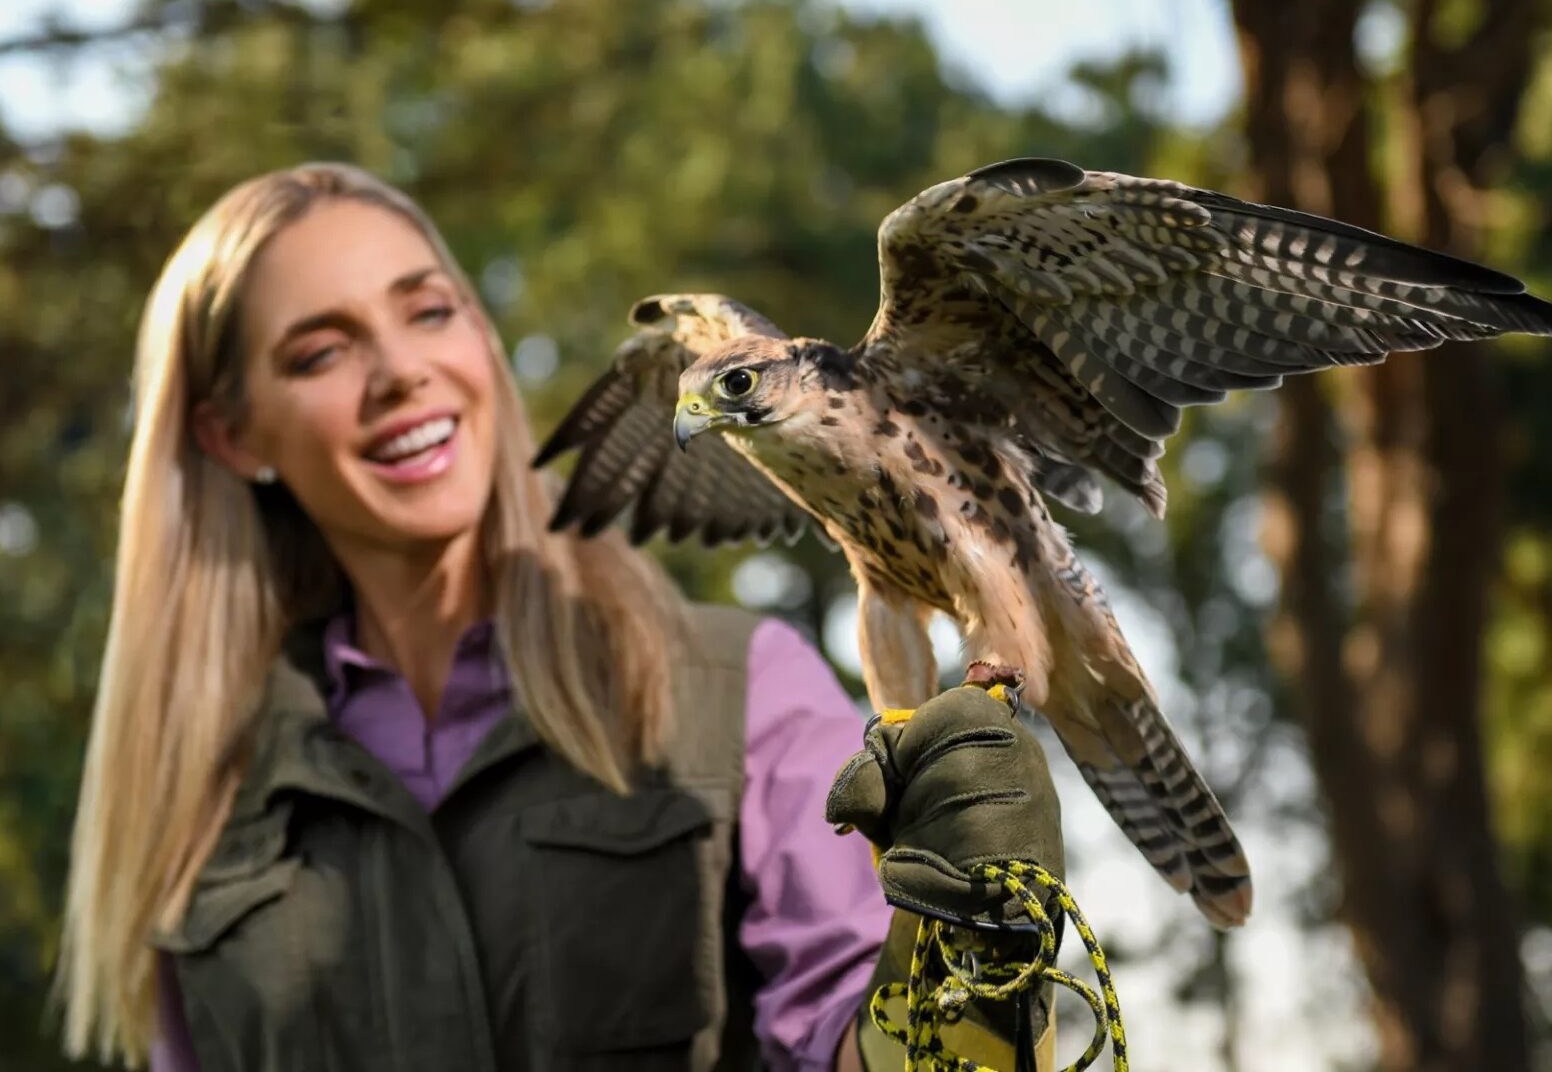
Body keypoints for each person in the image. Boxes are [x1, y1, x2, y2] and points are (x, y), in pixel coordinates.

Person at [56, 163, 1065, 1071]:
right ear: (232, 436)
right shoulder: (201, 794)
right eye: (321, 353)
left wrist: (959, 965)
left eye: (430, 312)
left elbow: (861, 1040)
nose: (401, 370)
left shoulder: (742, 692)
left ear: (482, 342)